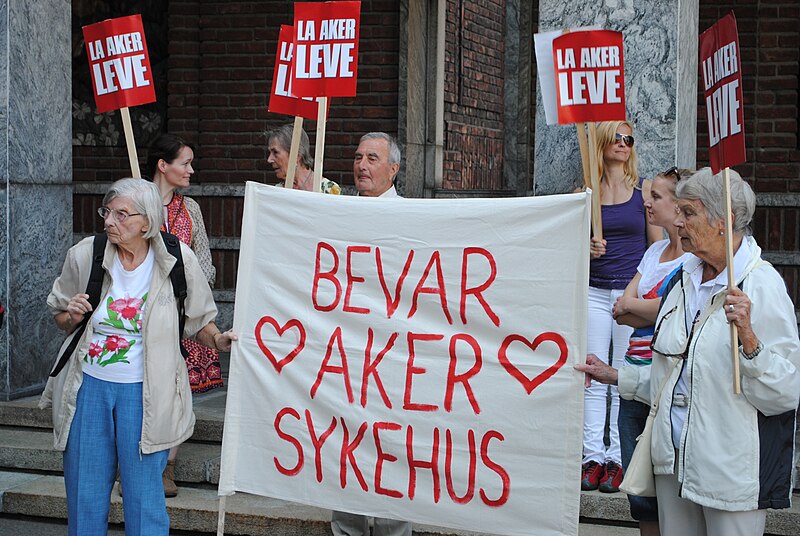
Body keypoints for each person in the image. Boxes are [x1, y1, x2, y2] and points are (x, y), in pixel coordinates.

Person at [576, 168, 800, 536]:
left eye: (689, 212)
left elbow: (785, 392)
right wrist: (614, 375)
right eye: (678, 210)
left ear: (722, 222)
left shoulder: (761, 285)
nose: (677, 221)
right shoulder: (682, 281)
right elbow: (674, 379)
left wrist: (749, 340)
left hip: (729, 471)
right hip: (673, 463)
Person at [39, 178, 237, 535]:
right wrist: (71, 315)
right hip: (88, 390)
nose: (108, 221)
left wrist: (219, 340)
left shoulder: (177, 259)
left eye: (121, 214)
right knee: (85, 495)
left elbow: (200, 321)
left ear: (146, 221)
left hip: (147, 393)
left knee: (145, 498)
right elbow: (60, 317)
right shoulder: (87, 253)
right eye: (107, 212)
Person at [330, 131, 409, 536]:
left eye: (372, 158)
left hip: (395, 359)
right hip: (346, 353)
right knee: (347, 448)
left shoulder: (415, 218)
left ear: (393, 169)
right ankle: (347, 526)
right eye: (358, 156)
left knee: (395, 449)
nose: (361, 165)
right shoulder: (335, 212)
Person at [611, 167, 693, 536]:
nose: (646, 202)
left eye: (656, 196)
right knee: (640, 493)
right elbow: (621, 309)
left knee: (669, 486)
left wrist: (643, 307)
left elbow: (668, 309)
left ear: (679, 205)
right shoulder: (655, 251)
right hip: (632, 373)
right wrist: (648, 307)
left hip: (662, 380)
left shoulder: (691, 261)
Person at [582, 120, 662, 493]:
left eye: (629, 138)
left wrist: (640, 298)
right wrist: (588, 246)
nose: (624, 143)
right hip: (594, 291)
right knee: (593, 376)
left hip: (629, 296)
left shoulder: (644, 190)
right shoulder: (586, 191)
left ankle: (617, 458)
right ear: (602, 141)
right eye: (617, 137)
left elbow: (657, 249)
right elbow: (569, 246)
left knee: (623, 377)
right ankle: (591, 457)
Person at [146, 133, 221, 497]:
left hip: (181, 311)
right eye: (185, 163)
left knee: (178, 394)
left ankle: (166, 468)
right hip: (143, 315)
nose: (191, 170)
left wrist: (193, 288)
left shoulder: (190, 210)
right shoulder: (133, 202)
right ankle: (132, 466)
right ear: (163, 165)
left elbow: (203, 258)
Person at [266, 123, 341, 194]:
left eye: (275, 152)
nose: (269, 159)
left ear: (296, 156)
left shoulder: (329, 190)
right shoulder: (277, 193)